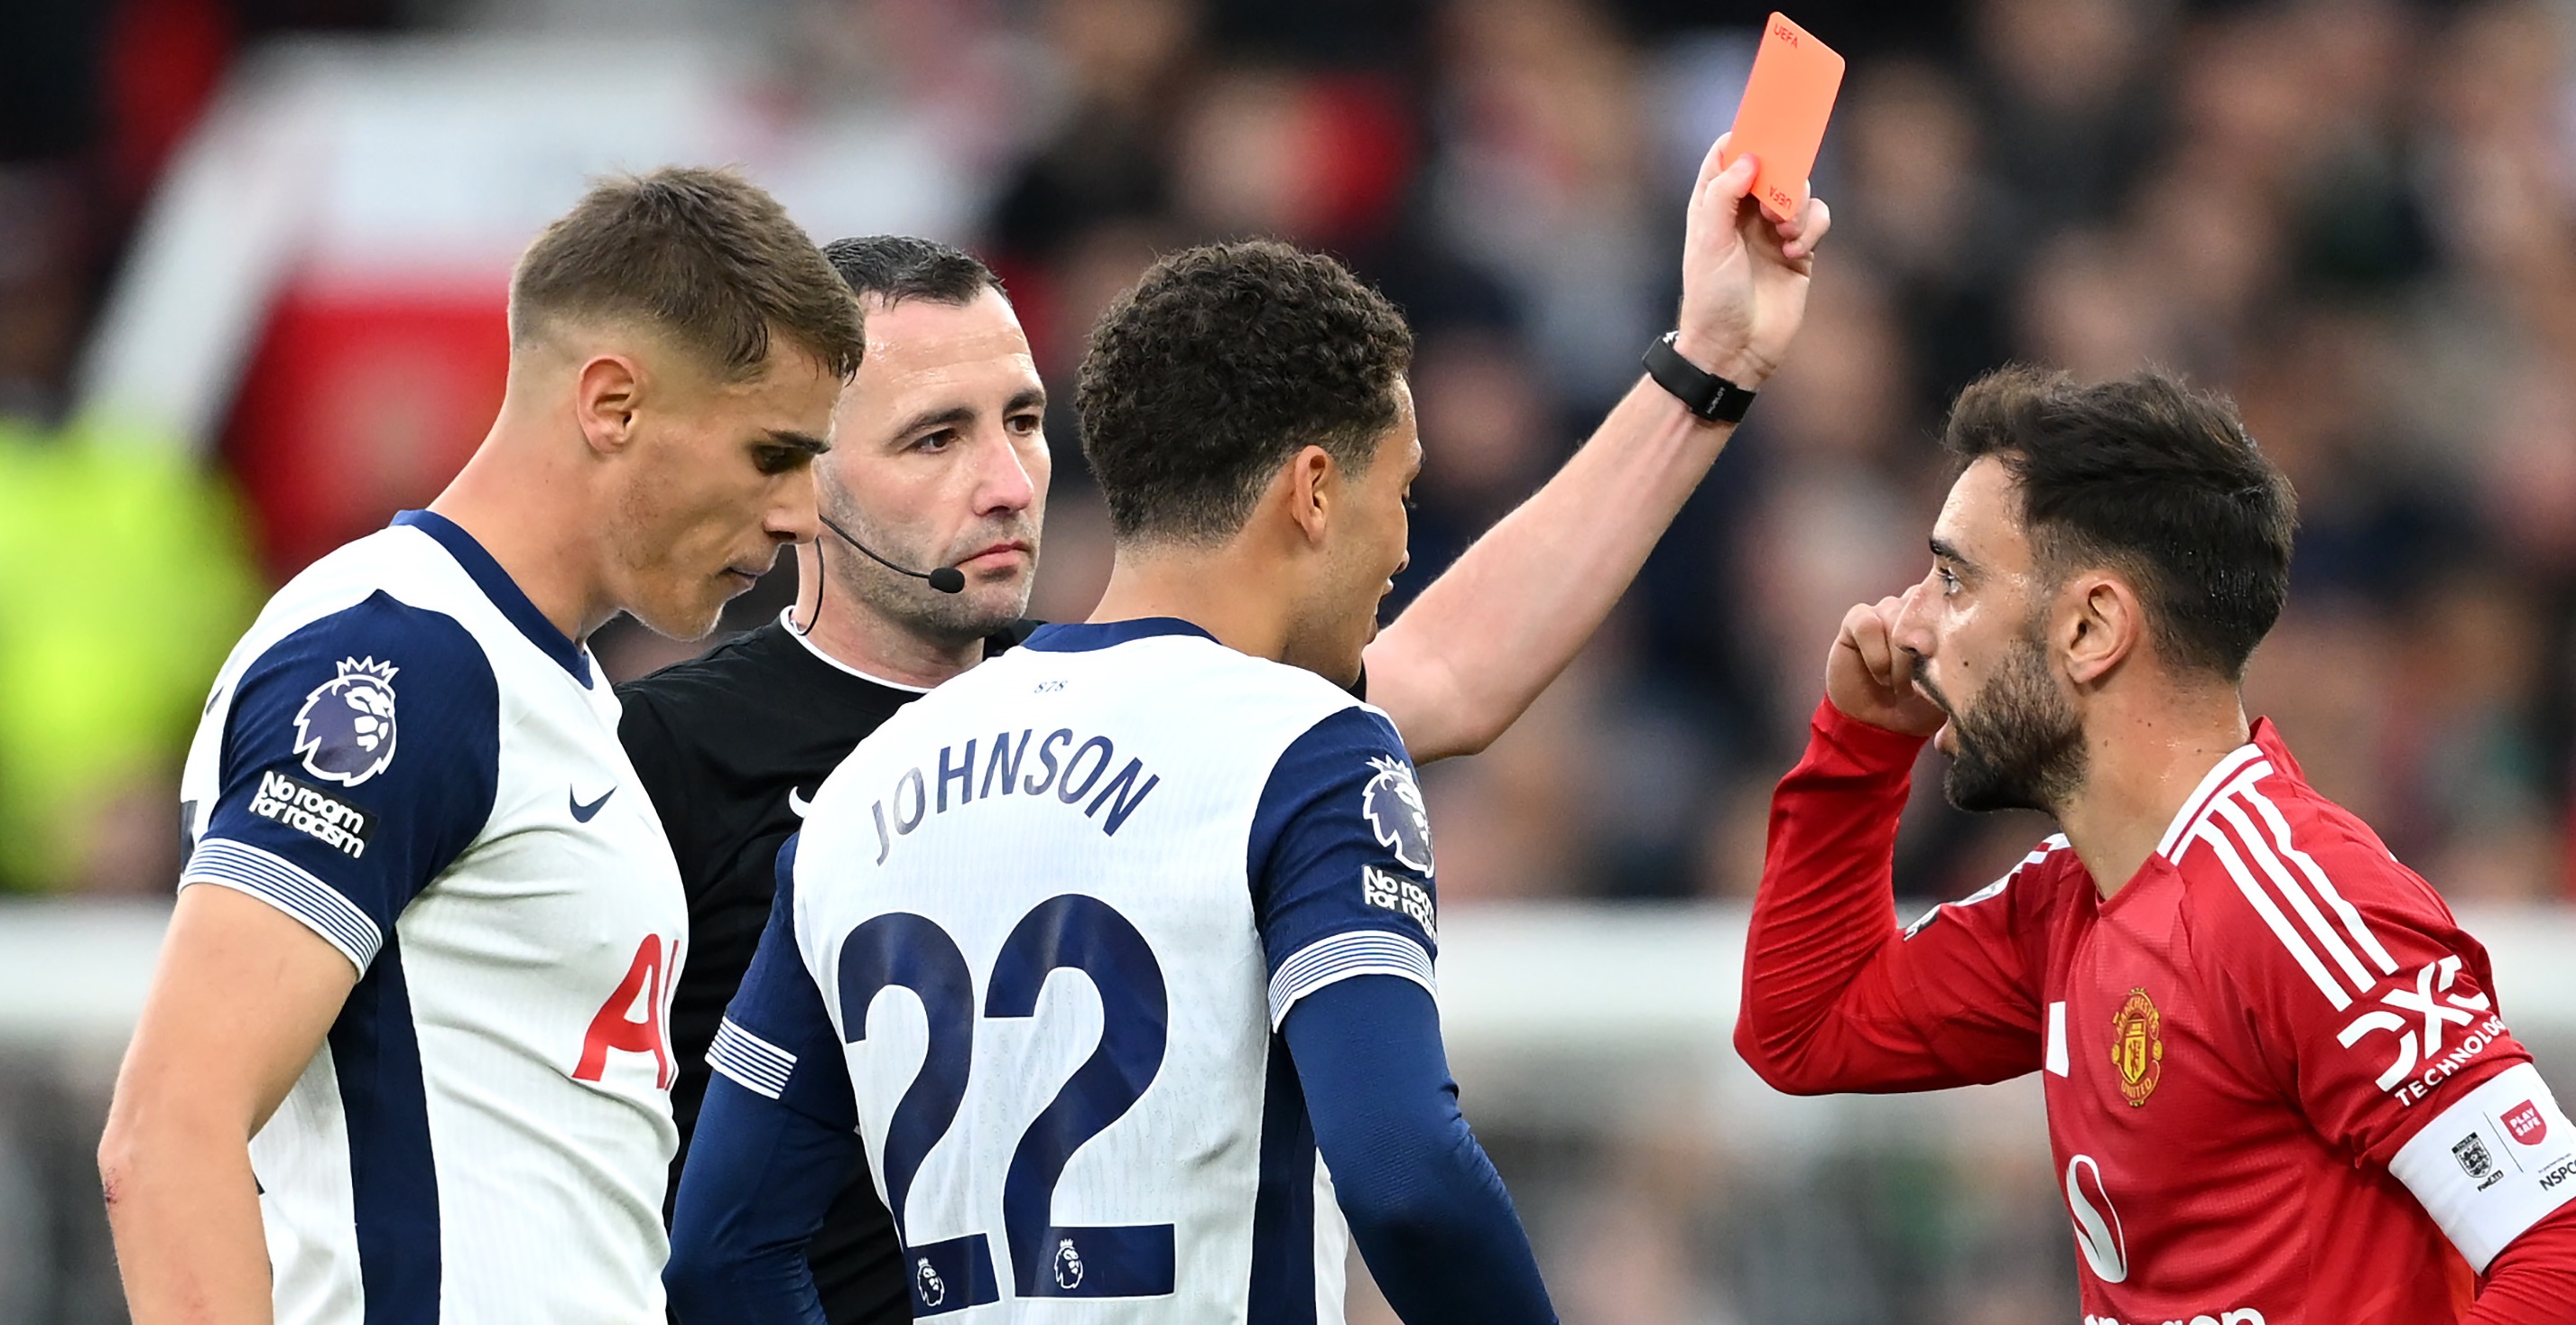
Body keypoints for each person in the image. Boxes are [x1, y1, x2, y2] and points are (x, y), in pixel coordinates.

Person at [633, 137, 1828, 1320]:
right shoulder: (657, 764)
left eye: (1027, 422)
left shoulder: (954, 768)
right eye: (937, 437)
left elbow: (1452, 667)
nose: (1006, 481)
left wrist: (1705, 365)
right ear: (794, 475)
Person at [96, 167, 863, 1324]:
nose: (804, 510)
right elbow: (167, 1130)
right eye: (772, 454)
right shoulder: (402, 661)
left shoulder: (560, 699)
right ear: (613, 405)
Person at [1735, 366, 2576, 1323]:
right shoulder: (2067, 904)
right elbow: (1803, 1027)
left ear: (2091, 627)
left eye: (1954, 579)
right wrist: (1859, 746)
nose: (1906, 622)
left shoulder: (2291, 898)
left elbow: (2559, 1241)